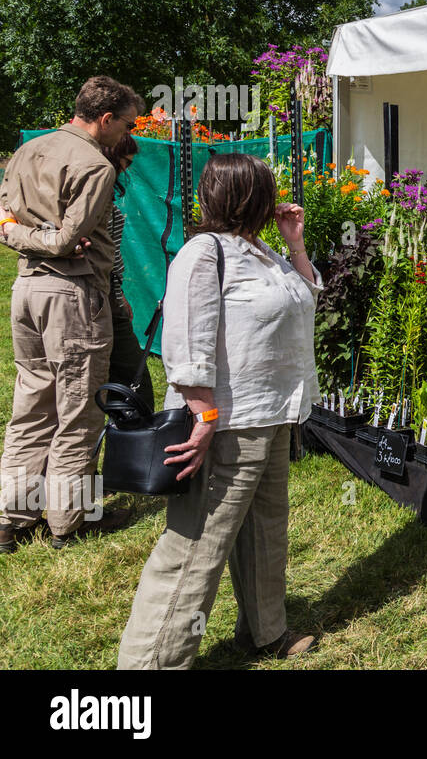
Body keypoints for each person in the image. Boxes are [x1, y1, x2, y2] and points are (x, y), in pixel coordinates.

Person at [118, 154, 321, 667]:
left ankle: (264, 631)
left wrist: (294, 243)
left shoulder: (262, 251)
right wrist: (204, 417)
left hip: (272, 415)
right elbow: (187, 341)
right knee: (196, 547)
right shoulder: (203, 253)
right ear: (248, 197)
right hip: (225, 422)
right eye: (266, 191)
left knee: (265, 530)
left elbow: (307, 296)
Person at [0, 76, 142, 553]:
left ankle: (11, 519)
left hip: (26, 291)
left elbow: (4, 221)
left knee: (31, 407)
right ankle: (68, 521)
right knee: (79, 410)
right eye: (125, 124)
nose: (127, 133)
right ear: (105, 120)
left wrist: (21, 235)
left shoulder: (27, 150)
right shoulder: (95, 166)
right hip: (72, 295)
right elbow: (64, 242)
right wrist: (51, 240)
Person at [102, 133, 153, 402]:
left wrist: (120, 296)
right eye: (125, 163)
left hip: (109, 292)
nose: (126, 170)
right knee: (134, 384)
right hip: (102, 296)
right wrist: (118, 297)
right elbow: (108, 256)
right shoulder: (100, 200)